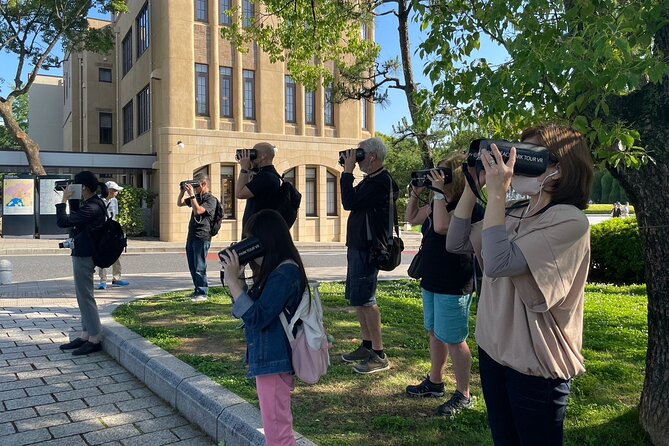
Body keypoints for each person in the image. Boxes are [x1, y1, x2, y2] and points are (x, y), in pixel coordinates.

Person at [446, 124, 593, 444]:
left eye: (526, 156)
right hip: (495, 352)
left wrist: (498, 193)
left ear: (558, 167)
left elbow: (499, 262)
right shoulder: (513, 213)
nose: (513, 164)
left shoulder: (570, 220)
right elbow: (456, 243)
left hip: (535, 363)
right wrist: (474, 185)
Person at [404, 154, 483, 416]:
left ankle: (464, 394)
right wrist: (416, 192)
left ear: (457, 177)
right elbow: (412, 218)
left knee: (454, 339)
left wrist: (437, 194)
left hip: (454, 281)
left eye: (445, 172)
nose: (439, 176)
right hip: (433, 278)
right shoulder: (441, 200)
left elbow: (441, 227)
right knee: (435, 332)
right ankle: (435, 382)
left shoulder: (467, 204)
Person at [220, 209, 306, 446]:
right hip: (268, 358)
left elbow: (257, 317)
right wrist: (237, 280)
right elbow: (249, 313)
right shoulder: (274, 271)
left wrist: (232, 283)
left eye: (251, 240)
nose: (248, 247)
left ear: (265, 240)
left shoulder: (285, 272)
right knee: (275, 429)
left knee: (278, 434)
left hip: (274, 359)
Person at [340, 137, 399, 374]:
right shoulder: (371, 180)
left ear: (372, 157)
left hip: (369, 248)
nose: (357, 157)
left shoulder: (381, 181)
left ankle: (379, 353)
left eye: (361, 154)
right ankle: (367, 345)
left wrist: (347, 171)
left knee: (367, 300)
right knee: (359, 298)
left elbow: (347, 202)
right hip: (358, 246)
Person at [56, 171, 108, 356]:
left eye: (76, 186)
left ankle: (95, 337)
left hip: (85, 255)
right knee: (82, 295)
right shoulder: (93, 204)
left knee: (85, 296)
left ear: (83, 187)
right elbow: (76, 217)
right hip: (83, 252)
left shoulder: (93, 207)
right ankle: (86, 334)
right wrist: (73, 199)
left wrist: (63, 198)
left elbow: (63, 221)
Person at [177, 173, 217, 302]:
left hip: (203, 235)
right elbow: (180, 203)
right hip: (192, 235)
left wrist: (192, 195)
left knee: (200, 266)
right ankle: (197, 290)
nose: (195, 188)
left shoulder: (211, 199)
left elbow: (198, 211)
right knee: (192, 265)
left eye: (197, 185)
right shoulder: (197, 197)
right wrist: (183, 192)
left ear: (204, 184)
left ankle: (202, 292)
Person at [236, 142, 282, 227]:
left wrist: (244, 168)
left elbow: (239, 193)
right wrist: (250, 167)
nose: (251, 156)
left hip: (258, 232)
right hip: (261, 229)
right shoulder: (269, 174)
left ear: (263, 156)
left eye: (254, 152)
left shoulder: (266, 177)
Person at [97, 181, 129, 289]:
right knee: (102, 255)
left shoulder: (114, 201)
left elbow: (115, 215)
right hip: (102, 231)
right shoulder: (99, 201)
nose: (117, 192)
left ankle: (117, 278)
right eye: (115, 190)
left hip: (113, 230)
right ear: (108, 190)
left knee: (117, 254)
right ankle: (102, 280)